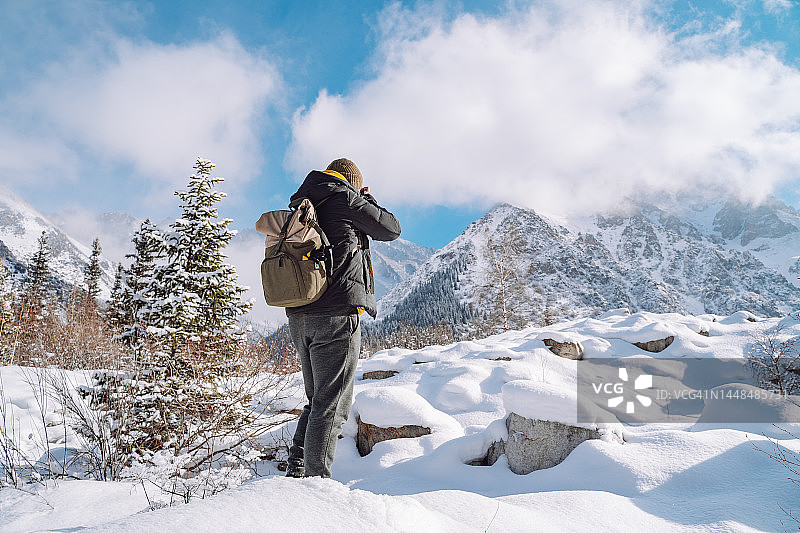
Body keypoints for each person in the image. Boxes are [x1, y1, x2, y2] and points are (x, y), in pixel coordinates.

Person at [285, 158, 401, 478]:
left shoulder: (301, 203)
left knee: (317, 401)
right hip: (335, 315)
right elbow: (390, 228)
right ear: (351, 181)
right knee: (332, 406)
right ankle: (314, 484)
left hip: (299, 316)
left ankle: (295, 475)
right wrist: (367, 199)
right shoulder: (345, 198)